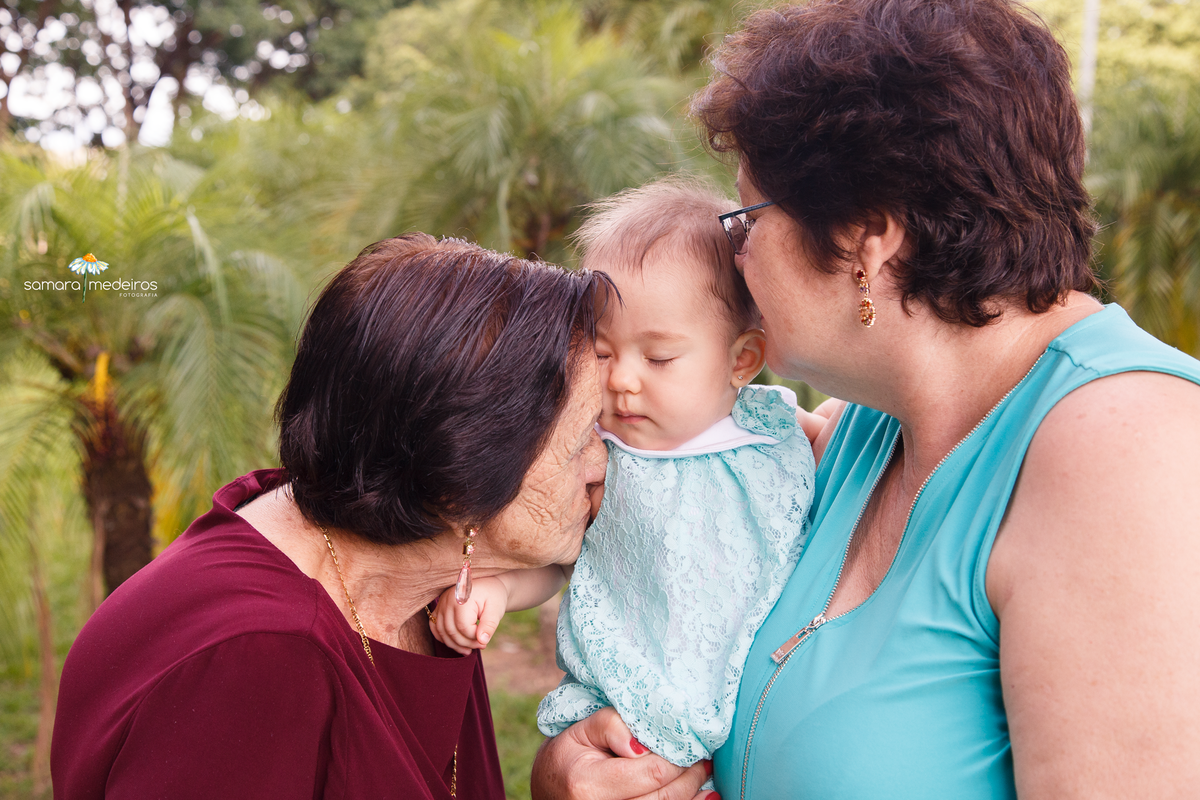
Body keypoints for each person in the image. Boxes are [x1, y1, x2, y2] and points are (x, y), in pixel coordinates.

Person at [532, 0, 1200, 798]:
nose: (734, 257)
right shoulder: (855, 435)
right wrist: (576, 770)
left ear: (864, 242)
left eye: (747, 219)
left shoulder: (1128, 453)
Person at [51, 233, 611, 799]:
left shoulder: (421, 578)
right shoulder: (255, 663)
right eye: (585, 434)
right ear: (463, 469)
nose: (604, 462)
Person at [430, 178, 817, 778]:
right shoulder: (598, 459)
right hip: (624, 705)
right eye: (603, 353)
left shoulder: (776, 430)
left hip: (754, 708)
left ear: (741, 359)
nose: (622, 380)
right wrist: (500, 590)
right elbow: (559, 560)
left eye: (658, 358)